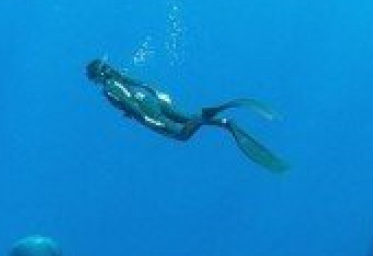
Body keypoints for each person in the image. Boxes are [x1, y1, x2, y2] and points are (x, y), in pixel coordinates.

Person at [85, 58, 289, 173]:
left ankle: (211, 118)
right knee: (188, 117)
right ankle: (221, 121)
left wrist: (147, 118)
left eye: (94, 79)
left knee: (182, 135)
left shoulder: (109, 88)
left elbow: (129, 103)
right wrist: (160, 95)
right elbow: (143, 85)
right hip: (155, 100)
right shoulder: (119, 76)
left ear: (96, 77)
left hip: (148, 110)